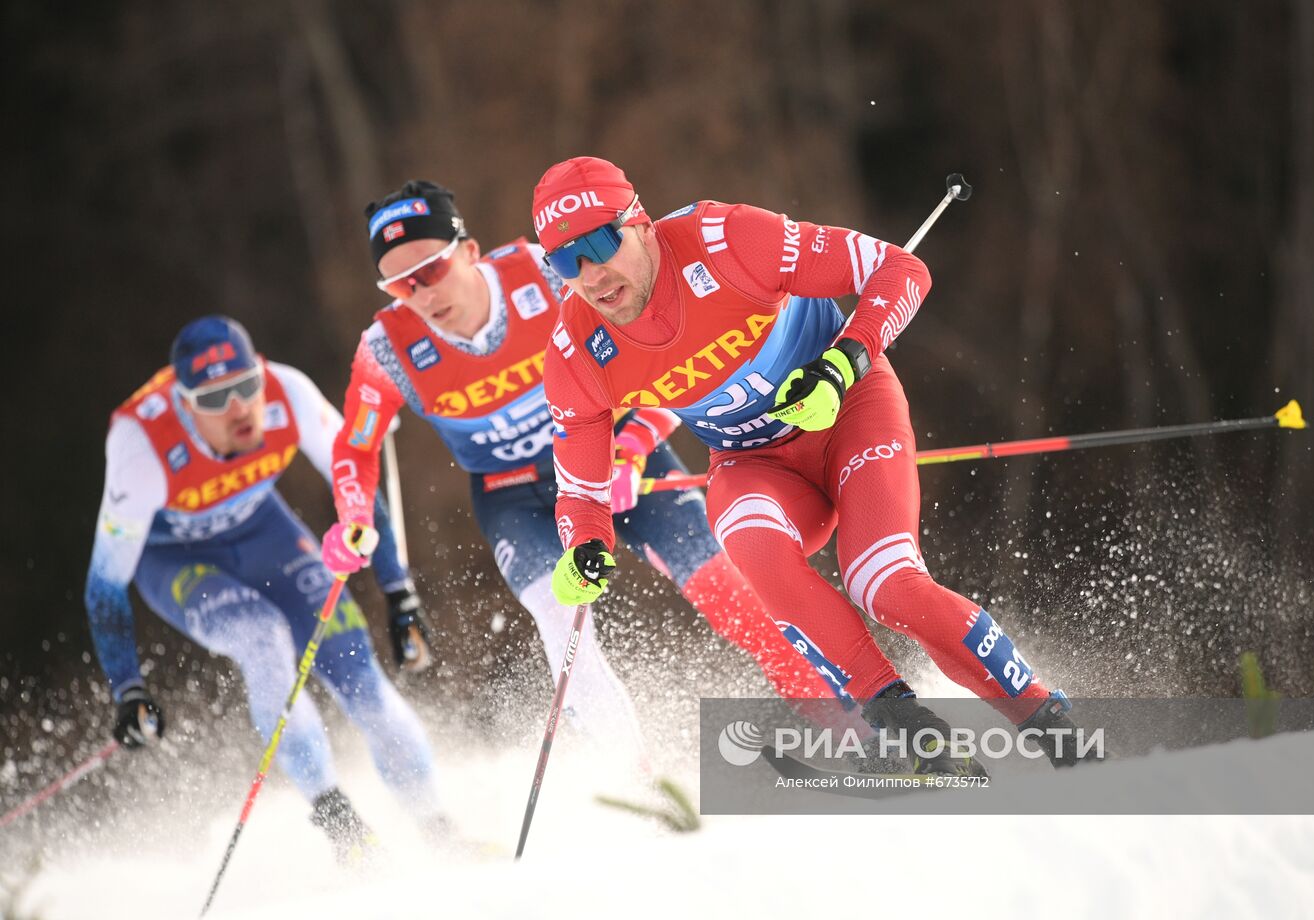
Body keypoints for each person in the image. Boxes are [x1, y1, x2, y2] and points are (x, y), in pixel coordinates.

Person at [536, 156, 1094, 775]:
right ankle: (912, 732)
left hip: (849, 415)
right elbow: (581, 492)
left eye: (598, 244)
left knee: (884, 585)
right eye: (566, 261)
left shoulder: (727, 240)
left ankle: (1052, 725)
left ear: (638, 223)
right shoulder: (576, 350)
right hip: (754, 462)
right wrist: (584, 547)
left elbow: (900, 268)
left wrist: (843, 363)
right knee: (745, 536)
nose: (591, 275)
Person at [320, 180, 838, 771]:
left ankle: (840, 717)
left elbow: (685, 351)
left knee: (725, 588)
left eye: (431, 271)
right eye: (399, 285)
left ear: (469, 251)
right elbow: (356, 446)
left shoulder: (551, 273)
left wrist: (635, 445)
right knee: (562, 631)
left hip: (614, 459)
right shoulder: (387, 349)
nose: (420, 295)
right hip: (513, 495)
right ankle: (645, 787)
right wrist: (356, 516)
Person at [84, 315, 449, 861]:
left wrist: (400, 594)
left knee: (360, 676)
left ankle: (440, 828)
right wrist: (129, 689)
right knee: (261, 636)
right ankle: (340, 825)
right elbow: (105, 585)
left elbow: (358, 474)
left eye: (246, 387)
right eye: (215, 399)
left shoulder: (288, 392)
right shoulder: (141, 444)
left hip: (264, 534)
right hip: (177, 559)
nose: (239, 408)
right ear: (185, 406)